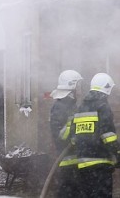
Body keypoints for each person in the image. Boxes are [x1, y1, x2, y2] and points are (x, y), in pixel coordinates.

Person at [70, 73, 120, 198]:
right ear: (107, 87)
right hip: (100, 165)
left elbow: (74, 137)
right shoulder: (102, 106)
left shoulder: (81, 107)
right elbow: (108, 135)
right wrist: (118, 153)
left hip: (82, 165)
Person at [49, 69, 83, 197]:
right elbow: (60, 135)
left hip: (74, 159)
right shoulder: (61, 107)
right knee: (67, 192)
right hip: (67, 160)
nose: (80, 90)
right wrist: (75, 129)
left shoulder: (70, 105)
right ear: (72, 86)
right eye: (78, 86)